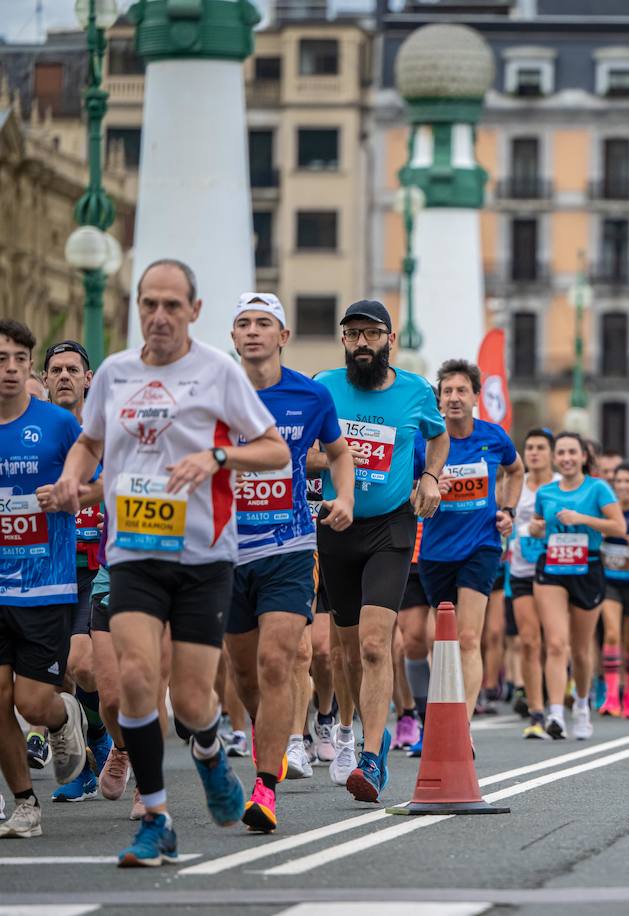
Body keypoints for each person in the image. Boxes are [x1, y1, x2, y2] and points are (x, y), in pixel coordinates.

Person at [51, 260, 291, 866]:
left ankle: (209, 750)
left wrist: (217, 456)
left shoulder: (217, 373)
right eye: (148, 304)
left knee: (188, 700)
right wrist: (72, 479)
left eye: (171, 306)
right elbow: (89, 441)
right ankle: (156, 817)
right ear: (137, 306)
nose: (159, 316)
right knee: (133, 676)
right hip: (132, 551)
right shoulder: (114, 373)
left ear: (194, 310)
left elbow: (272, 449)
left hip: (204, 557)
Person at [224, 293, 355, 832]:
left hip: (290, 546)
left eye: (264, 324)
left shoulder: (310, 393)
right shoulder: (211, 391)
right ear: (233, 338)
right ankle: (269, 738)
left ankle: (264, 787)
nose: (253, 332)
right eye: (243, 324)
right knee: (243, 673)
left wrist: (343, 497)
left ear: (283, 336)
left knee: (279, 663)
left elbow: (340, 451)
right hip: (225, 550)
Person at [312, 299, 445, 803]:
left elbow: (438, 438)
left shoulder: (415, 391)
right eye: (353, 335)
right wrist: (333, 462)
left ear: (390, 339)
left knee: (373, 643)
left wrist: (430, 476)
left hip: (392, 525)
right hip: (337, 522)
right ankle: (351, 729)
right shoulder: (323, 386)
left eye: (371, 334)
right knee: (345, 649)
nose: (361, 343)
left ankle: (371, 755)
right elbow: (299, 449)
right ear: (343, 341)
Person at [0, 320, 90, 839]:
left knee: (30, 701)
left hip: (45, 584)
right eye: (1, 358)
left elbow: (100, 484)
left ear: (29, 366)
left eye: (18, 359)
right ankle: (25, 804)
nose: (11, 368)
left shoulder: (58, 425)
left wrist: (67, 493)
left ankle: (61, 717)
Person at [415, 359, 523, 729]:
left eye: (462, 390)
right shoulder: (425, 442)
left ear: (476, 396)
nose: (454, 398)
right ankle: (442, 706)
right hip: (435, 549)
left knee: (468, 636)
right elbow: (407, 494)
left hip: (482, 544)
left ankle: (460, 724)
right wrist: (427, 486)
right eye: (447, 391)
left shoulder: (493, 437)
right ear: (439, 399)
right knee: (437, 640)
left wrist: (508, 508)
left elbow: (516, 470)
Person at [38, 340, 116, 805]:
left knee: (82, 664)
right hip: (43, 567)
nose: (64, 376)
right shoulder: (31, 431)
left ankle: (105, 741)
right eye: (55, 370)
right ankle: (86, 765)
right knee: (52, 681)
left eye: (73, 369)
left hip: (96, 565)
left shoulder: (105, 432)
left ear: (89, 379)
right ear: (44, 380)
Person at [530, 432, 624, 739]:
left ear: (584, 456)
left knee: (581, 650)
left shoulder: (598, 488)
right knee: (556, 643)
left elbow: (618, 527)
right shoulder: (545, 492)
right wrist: (535, 527)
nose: (567, 458)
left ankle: (582, 705)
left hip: (588, 567)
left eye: (573, 452)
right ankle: (555, 713)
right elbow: (538, 525)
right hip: (552, 567)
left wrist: (581, 518)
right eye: (562, 452)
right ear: (556, 458)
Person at [508, 429, 555, 738]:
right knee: (528, 641)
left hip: (557, 572)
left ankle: (560, 705)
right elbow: (506, 517)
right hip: (522, 569)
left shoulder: (560, 487)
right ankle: (537, 712)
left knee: (555, 642)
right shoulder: (517, 485)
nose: (535, 453)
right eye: (530, 447)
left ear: (551, 453)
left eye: (540, 447)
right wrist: (524, 529)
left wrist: (547, 528)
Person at [599, 463, 629, 719]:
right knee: (611, 633)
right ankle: (610, 695)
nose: (623, 486)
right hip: (609, 582)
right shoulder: (607, 510)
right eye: (618, 481)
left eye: (628, 481)